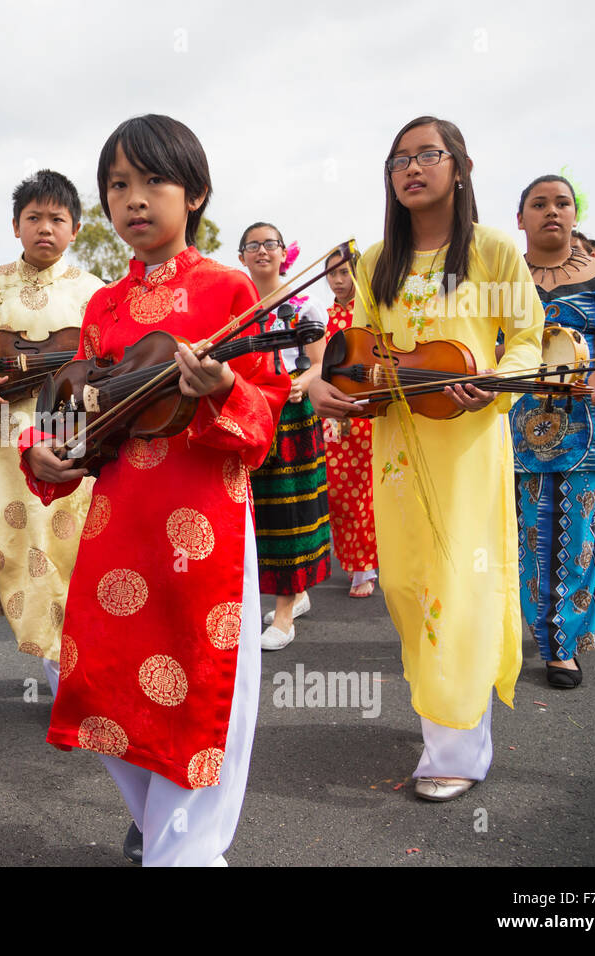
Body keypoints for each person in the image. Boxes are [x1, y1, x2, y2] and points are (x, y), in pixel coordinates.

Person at [22, 114, 290, 866]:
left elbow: (265, 417)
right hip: (118, 523)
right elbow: (76, 412)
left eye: (152, 182)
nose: (133, 199)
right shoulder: (104, 306)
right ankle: (166, 837)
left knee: (199, 688)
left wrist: (225, 387)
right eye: (117, 185)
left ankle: (188, 852)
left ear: (195, 193)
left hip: (202, 515)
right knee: (104, 682)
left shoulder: (231, 288)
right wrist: (48, 458)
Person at [310, 116, 545, 802]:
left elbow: (527, 337)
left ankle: (456, 745)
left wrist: (496, 385)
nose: (412, 168)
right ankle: (443, 715)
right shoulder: (375, 259)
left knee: (459, 583)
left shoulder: (494, 252)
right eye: (400, 159)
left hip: (468, 442)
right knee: (408, 585)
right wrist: (333, 387)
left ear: (459, 167)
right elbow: (364, 352)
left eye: (428, 155)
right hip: (399, 446)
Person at [0, 170, 102, 682]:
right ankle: (54, 659)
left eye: (57, 219)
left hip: (71, 431)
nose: (45, 228)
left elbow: (108, 365)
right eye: (34, 217)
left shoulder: (95, 292)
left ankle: (71, 667)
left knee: (71, 543)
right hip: (7, 431)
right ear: (16, 226)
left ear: (75, 229)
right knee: (18, 546)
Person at [508, 176, 595, 687]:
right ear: (519, 218)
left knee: (577, 536)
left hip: (589, 424)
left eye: (562, 203)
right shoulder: (500, 279)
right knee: (527, 537)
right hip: (515, 426)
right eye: (539, 203)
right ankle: (533, 630)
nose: (552, 210)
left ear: (575, 215)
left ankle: (561, 646)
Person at [239, 224, 330, 650]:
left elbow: (320, 365)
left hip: (293, 417)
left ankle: (285, 613)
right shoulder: (236, 311)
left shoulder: (304, 307)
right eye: (252, 245)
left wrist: (302, 381)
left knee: (293, 515)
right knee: (258, 514)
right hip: (252, 413)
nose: (262, 251)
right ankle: (294, 593)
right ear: (241, 257)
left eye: (270, 244)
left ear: (283, 254)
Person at [321, 248, 379, 598]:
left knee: (365, 494)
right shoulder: (322, 317)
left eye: (345, 273)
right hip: (332, 415)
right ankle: (353, 561)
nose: (339, 280)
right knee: (339, 495)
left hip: (367, 415)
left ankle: (365, 566)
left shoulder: (370, 317)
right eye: (332, 274)